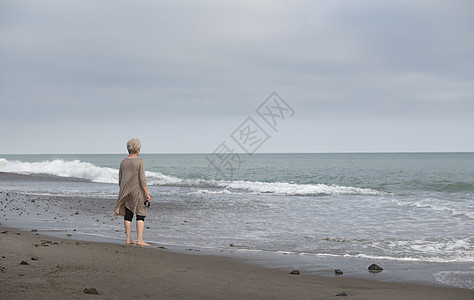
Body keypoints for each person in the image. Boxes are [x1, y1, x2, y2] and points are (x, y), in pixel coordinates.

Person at [114, 138, 151, 246]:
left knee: (128, 214)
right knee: (140, 215)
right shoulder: (140, 161)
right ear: (138, 149)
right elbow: (142, 180)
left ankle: (128, 239)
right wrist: (147, 194)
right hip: (138, 192)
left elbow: (120, 179)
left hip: (124, 191)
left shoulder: (123, 162)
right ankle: (139, 240)